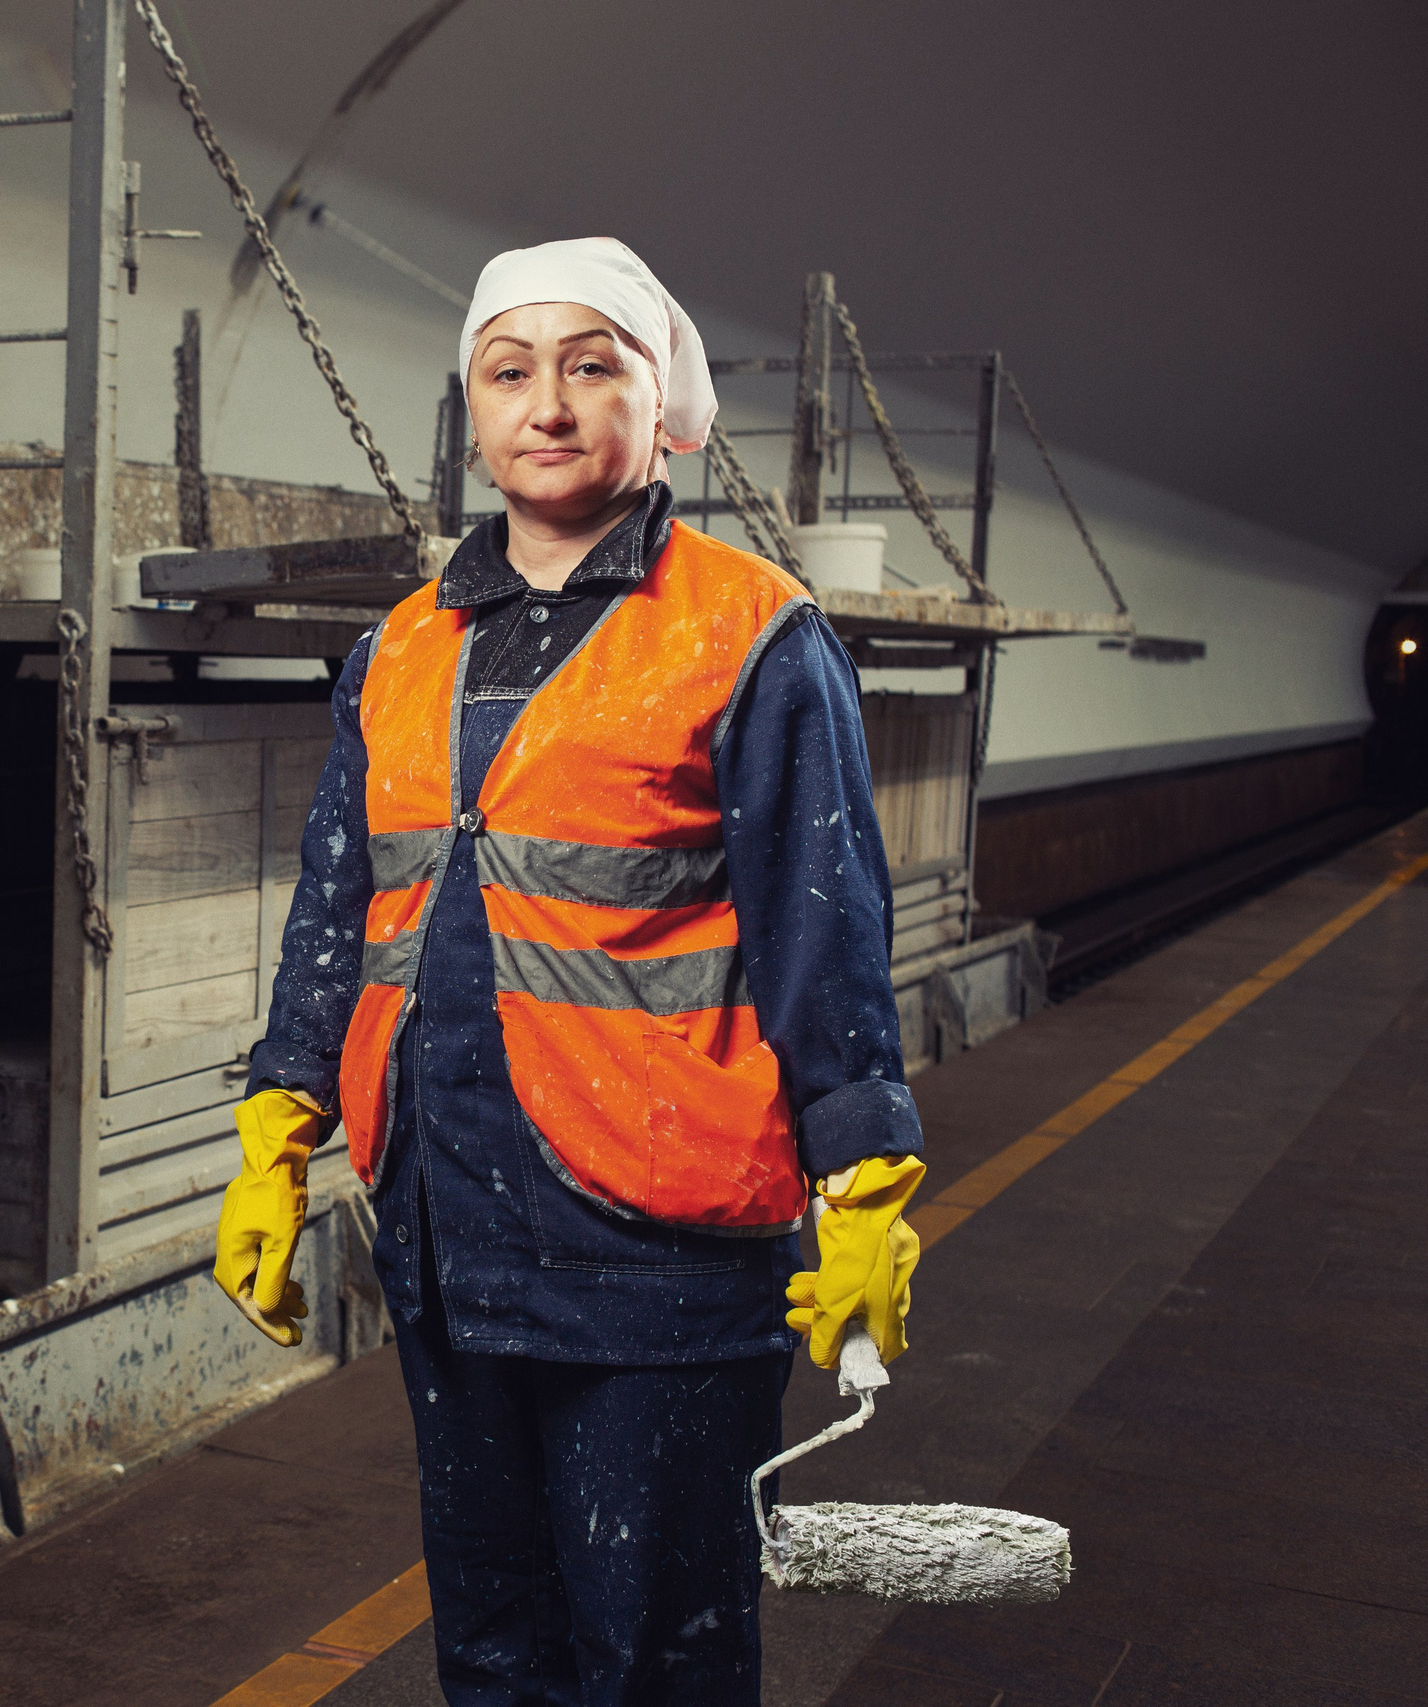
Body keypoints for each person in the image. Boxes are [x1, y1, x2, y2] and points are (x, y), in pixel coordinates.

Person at [213, 238, 928, 1704]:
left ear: (659, 407)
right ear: (471, 411)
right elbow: (344, 904)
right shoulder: (398, 648)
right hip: (444, 1230)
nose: (548, 403)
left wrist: (864, 1180)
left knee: (659, 1652)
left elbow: (826, 928)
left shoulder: (751, 632)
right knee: (490, 1644)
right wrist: (279, 1128)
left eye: (591, 365)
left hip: (655, 1250)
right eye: (510, 369)